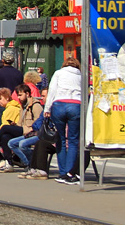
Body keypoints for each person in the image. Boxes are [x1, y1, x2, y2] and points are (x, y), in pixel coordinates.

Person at [46, 57, 83, 185]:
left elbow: (52, 91)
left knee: (60, 139)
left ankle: (62, 173)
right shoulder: (81, 76)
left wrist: (47, 108)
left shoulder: (58, 73)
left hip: (59, 104)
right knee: (73, 140)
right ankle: (70, 173)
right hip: (76, 105)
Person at [8, 84, 44, 174]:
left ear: (27, 94)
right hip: (26, 133)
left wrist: (28, 130)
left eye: (20, 95)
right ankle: (27, 163)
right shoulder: (22, 106)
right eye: (18, 95)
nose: (19, 98)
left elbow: (38, 124)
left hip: (35, 133)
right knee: (11, 143)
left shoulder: (35, 106)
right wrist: (14, 125)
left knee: (22, 144)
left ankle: (33, 164)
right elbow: (20, 123)